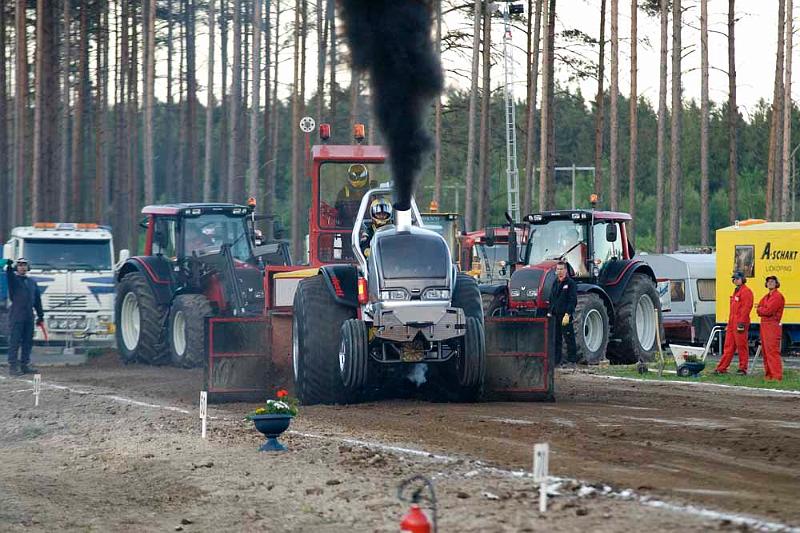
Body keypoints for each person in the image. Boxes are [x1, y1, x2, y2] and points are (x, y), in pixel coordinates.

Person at [5, 258, 44, 376]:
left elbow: (37, 300)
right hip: (17, 314)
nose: (22, 267)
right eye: (20, 265)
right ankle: (13, 366)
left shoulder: (32, 282)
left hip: (29, 315)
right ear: (17, 267)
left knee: (28, 341)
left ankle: (24, 365)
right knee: (15, 341)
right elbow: (9, 274)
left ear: (28, 267)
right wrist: (9, 266)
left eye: (24, 265)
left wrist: (40, 315)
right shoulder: (14, 280)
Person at [714, 271, 754, 375]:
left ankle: (743, 368)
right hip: (732, 323)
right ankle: (722, 368)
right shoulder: (737, 291)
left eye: (737, 278)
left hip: (740, 323)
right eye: (734, 279)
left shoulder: (746, 291)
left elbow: (746, 308)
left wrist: (741, 323)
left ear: (742, 279)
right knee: (728, 346)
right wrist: (729, 324)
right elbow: (733, 311)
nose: (735, 280)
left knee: (741, 346)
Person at [548, 261, 578, 366]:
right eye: (558, 269)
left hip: (565, 315)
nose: (559, 271)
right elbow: (552, 298)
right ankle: (557, 361)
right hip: (555, 315)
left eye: (561, 269)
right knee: (556, 338)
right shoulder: (555, 283)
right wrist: (550, 312)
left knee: (568, 337)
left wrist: (568, 314)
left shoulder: (570, 283)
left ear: (565, 270)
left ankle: (572, 360)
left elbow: (572, 300)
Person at [757, 275, 785, 381]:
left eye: (772, 281)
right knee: (765, 351)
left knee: (772, 351)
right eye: (768, 281)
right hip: (765, 325)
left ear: (776, 283)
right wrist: (762, 310)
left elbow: (768, 311)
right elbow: (759, 308)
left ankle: (776, 376)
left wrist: (762, 310)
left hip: (772, 325)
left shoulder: (777, 296)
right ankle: (768, 374)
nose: (770, 283)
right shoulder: (766, 296)